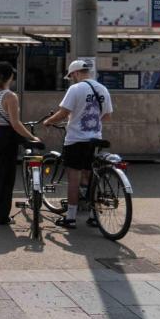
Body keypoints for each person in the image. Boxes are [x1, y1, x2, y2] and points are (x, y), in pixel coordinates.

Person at [43, 59, 113, 229]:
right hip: (94, 139)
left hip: (75, 140)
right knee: (90, 176)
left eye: (71, 76)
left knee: (73, 179)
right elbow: (108, 115)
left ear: (75, 73)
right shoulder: (102, 89)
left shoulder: (75, 89)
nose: (72, 79)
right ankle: (93, 216)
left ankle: (71, 218)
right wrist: (93, 124)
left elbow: (64, 112)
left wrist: (48, 121)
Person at [0, 61, 39, 226]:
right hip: (6, 138)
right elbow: (15, 124)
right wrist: (32, 138)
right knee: (6, 178)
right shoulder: (10, 96)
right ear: (11, 77)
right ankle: (1, 216)